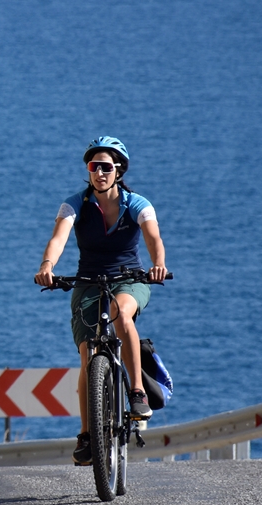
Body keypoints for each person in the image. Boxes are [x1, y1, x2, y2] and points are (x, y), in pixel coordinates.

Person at [33, 136, 168, 466]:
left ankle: (136, 392)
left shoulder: (137, 203)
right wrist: (47, 267)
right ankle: (87, 434)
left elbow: (154, 238)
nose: (99, 173)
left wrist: (158, 265)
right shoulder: (74, 204)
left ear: (119, 170)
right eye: (94, 167)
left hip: (130, 279)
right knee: (87, 354)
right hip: (88, 281)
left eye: (106, 167)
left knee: (121, 314)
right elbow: (58, 238)